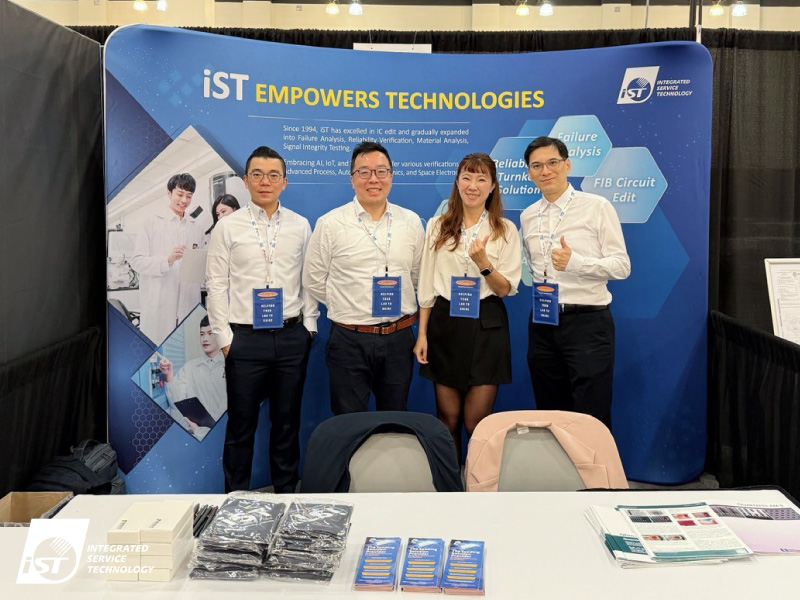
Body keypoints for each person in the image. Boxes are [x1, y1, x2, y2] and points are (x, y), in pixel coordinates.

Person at [206, 146, 318, 493]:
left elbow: (309, 279)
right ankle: (235, 500)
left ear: (284, 182)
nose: (265, 182)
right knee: (241, 427)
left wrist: (309, 327)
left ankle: (286, 497)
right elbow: (216, 283)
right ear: (246, 181)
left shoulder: (300, 225)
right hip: (244, 340)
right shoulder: (228, 227)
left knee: (287, 424)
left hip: (290, 336)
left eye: (273, 175)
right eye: (257, 174)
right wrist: (224, 338)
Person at [303, 141, 425, 415]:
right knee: (349, 424)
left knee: (394, 420)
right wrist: (348, 303)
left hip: (398, 339)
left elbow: (417, 276)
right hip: (349, 339)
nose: (373, 179)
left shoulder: (411, 222)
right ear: (352, 178)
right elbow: (313, 278)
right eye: (364, 172)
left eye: (381, 171)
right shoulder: (330, 223)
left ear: (391, 176)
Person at [520, 136, 631, 430]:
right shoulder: (528, 216)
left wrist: (576, 263)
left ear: (567, 165)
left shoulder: (597, 207)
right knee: (549, 414)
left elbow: (622, 267)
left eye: (552, 163)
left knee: (591, 417)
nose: (546, 171)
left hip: (587, 324)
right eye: (537, 166)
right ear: (529, 173)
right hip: (543, 323)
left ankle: (593, 463)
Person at [414, 153, 521, 455]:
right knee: (447, 419)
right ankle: (449, 481)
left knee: (477, 421)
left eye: (481, 179)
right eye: (467, 178)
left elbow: (505, 289)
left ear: (492, 186)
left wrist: (484, 264)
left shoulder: (505, 230)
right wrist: (422, 334)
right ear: (457, 182)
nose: (473, 186)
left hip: (487, 325)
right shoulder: (438, 226)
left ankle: (477, 481)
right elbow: (427, 284)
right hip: (445, 323)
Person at [130, 173, 206, 344]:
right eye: (180, 194)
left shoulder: (197, 227)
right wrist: (167, 260)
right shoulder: (151, 222)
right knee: (159, 349)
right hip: (160, 300)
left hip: (188, 300)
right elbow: (137, 261)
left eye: (189, 196)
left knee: (186, 349)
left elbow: (198, 262)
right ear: (169, 193)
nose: (184, 200)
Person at [158, 315, 226, 441]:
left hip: (224, 437)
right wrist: (169, 376)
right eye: (202, 334)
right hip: (196, 436)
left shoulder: (233, 366)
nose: (205, 339)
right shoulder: (190, 367)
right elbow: (176, 403)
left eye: (210, 333)